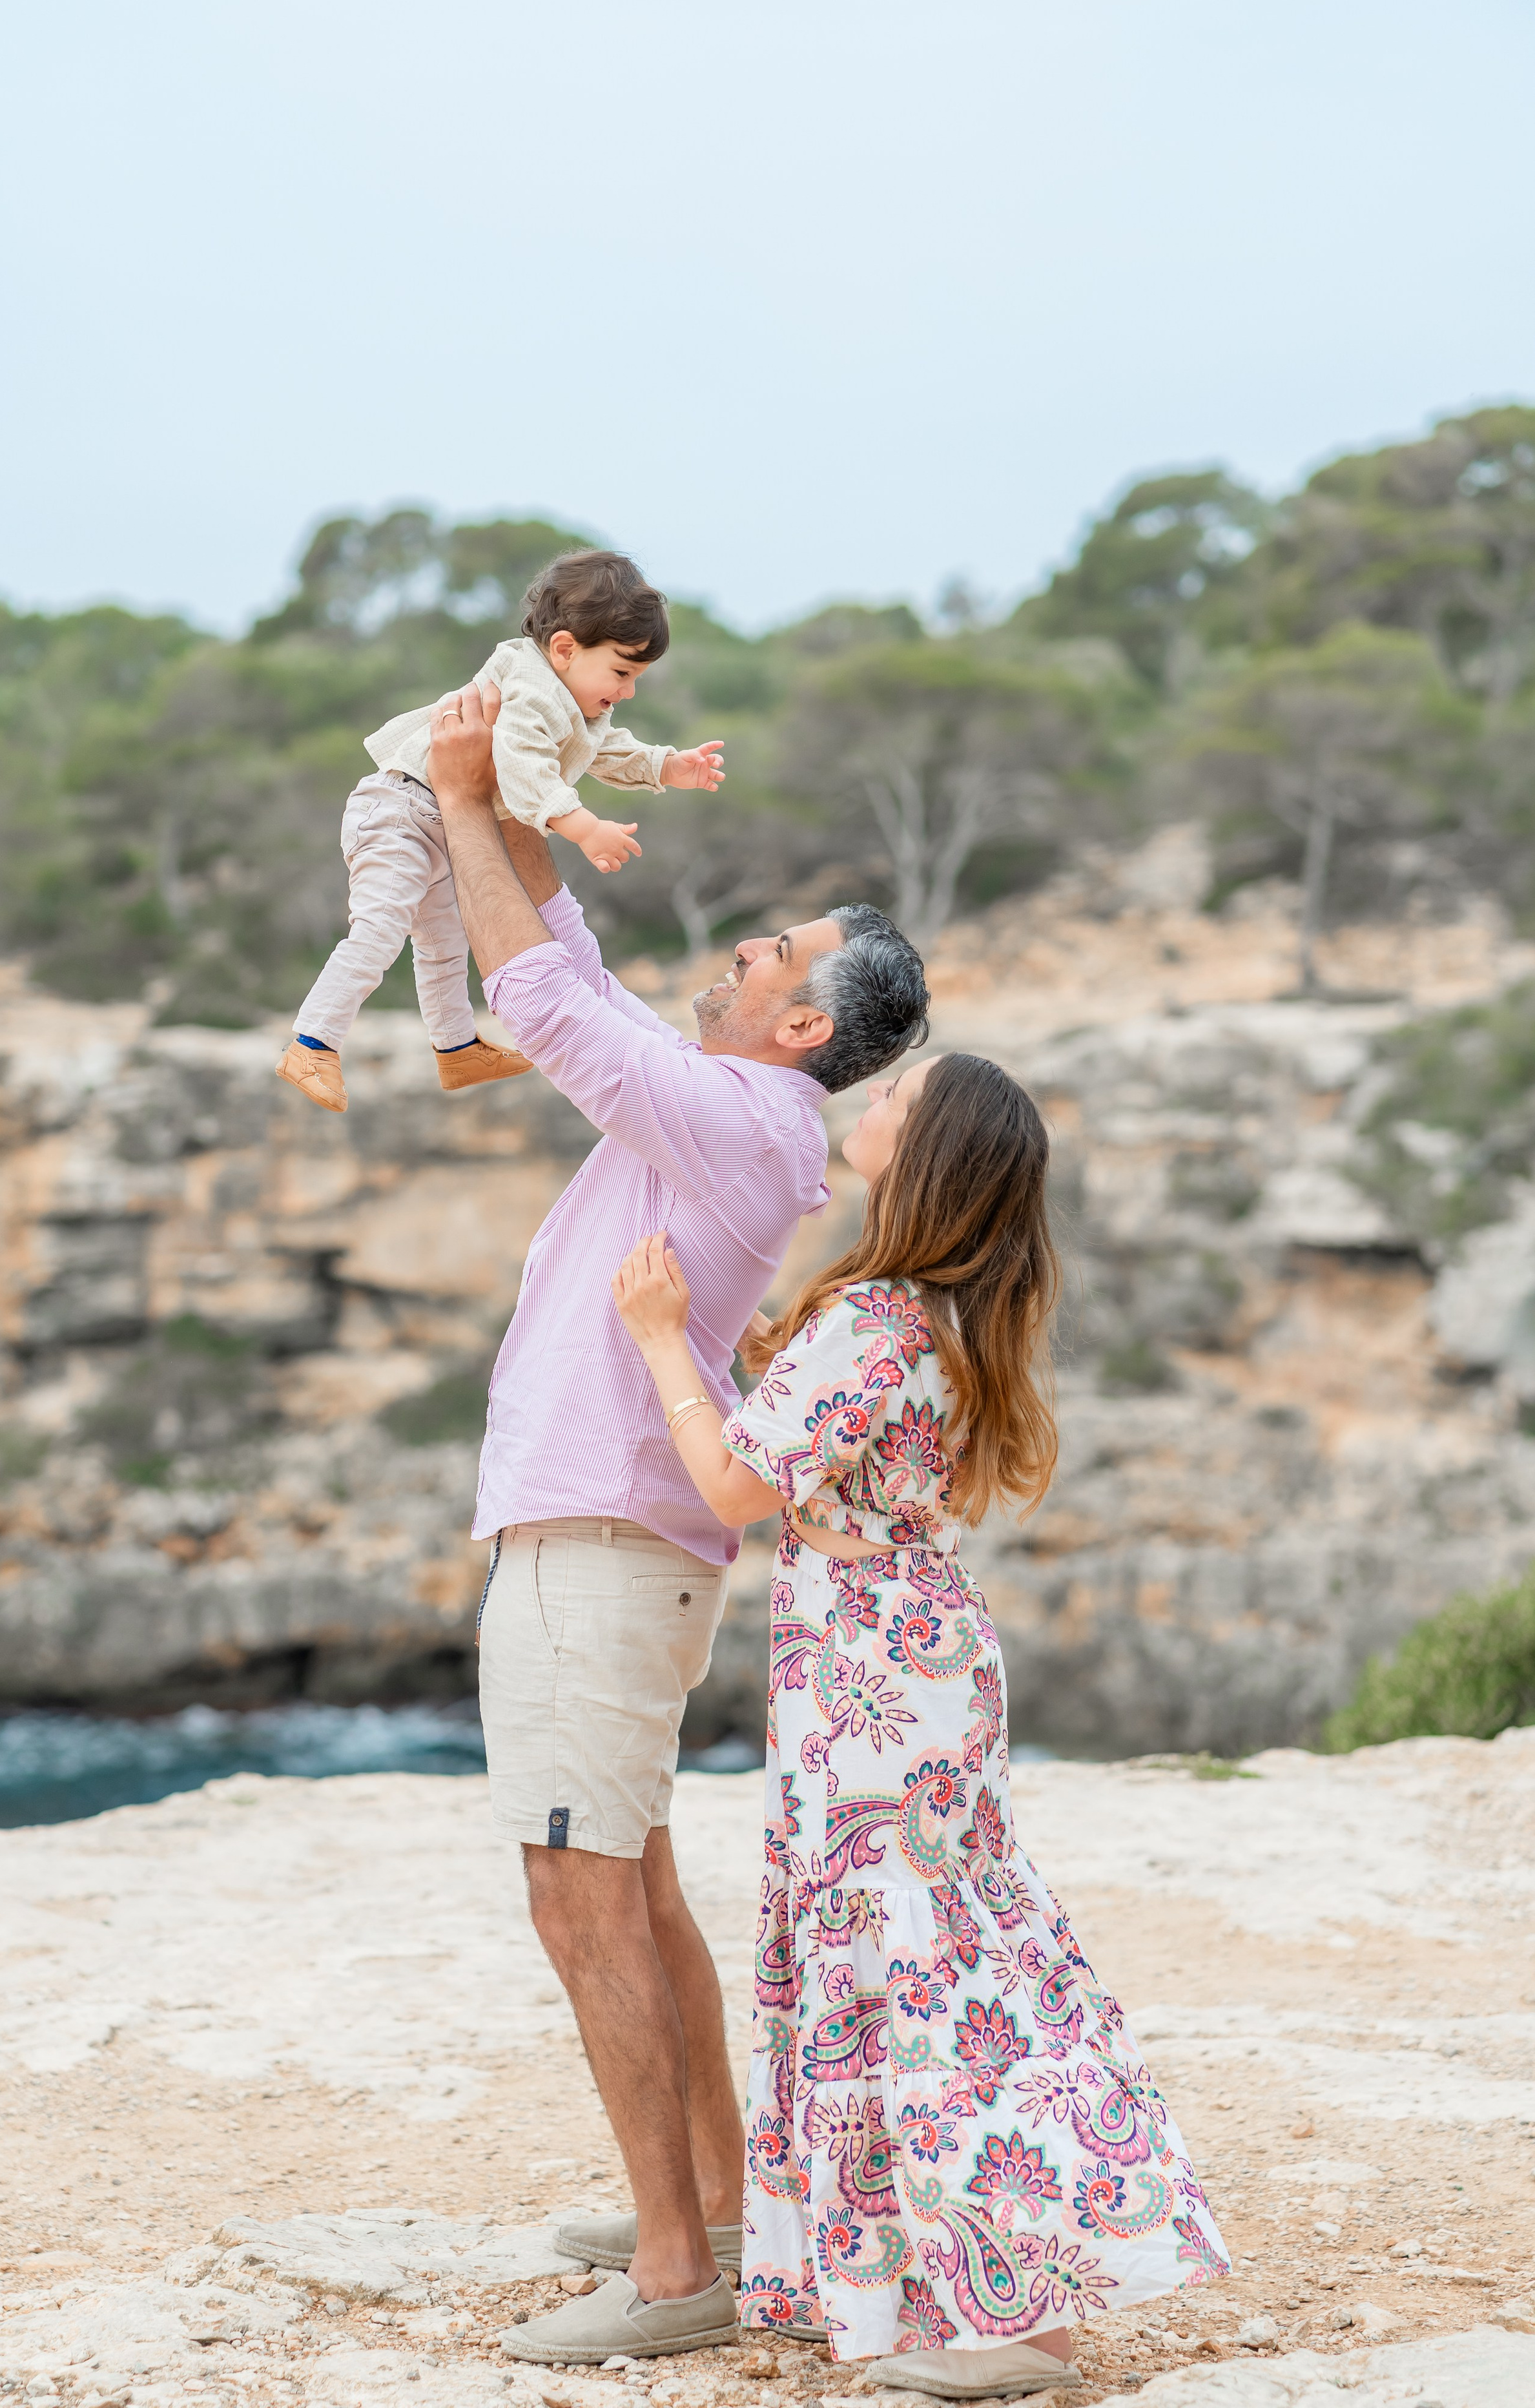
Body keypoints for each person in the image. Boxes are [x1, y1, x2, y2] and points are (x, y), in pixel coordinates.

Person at [420, 683, 932, 2368]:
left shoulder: (736, 1117)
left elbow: (549, 1003)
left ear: (800, 1026)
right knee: (630, 1883)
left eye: (770, 952)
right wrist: (494, 802)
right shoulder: (733, 1107)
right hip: (613, 1539)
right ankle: (712, 2206)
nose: (737, 954)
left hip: (602, 1545)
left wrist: (452, 785)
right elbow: (576, 980)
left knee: (583, 1897)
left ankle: (670, 2273)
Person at [610, 1054, 1230, 2400]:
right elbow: (821, 1474)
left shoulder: (876, 1317)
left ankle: (1003, 2319)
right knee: (963, 1961)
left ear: (928, 1147)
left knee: (903, 1974)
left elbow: (725, 1485)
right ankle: (983, 2294)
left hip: (868, 1686)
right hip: (923, 1651)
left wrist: (660, 1335)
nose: (868, 1102)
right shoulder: (950, 1314)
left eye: (897, 1097)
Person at [274, 549, 726, 1112]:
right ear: (564, 649)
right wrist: (583, 827)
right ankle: (312, 1043)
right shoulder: (532, 690)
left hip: (441, 824)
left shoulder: (572, 700)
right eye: (622, 672)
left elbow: (602, 748)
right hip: (399, 811)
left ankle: (456, 1049)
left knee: (443, 944)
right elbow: (523, 764)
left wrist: (665, 766)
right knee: (381, 929)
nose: (628, 690)